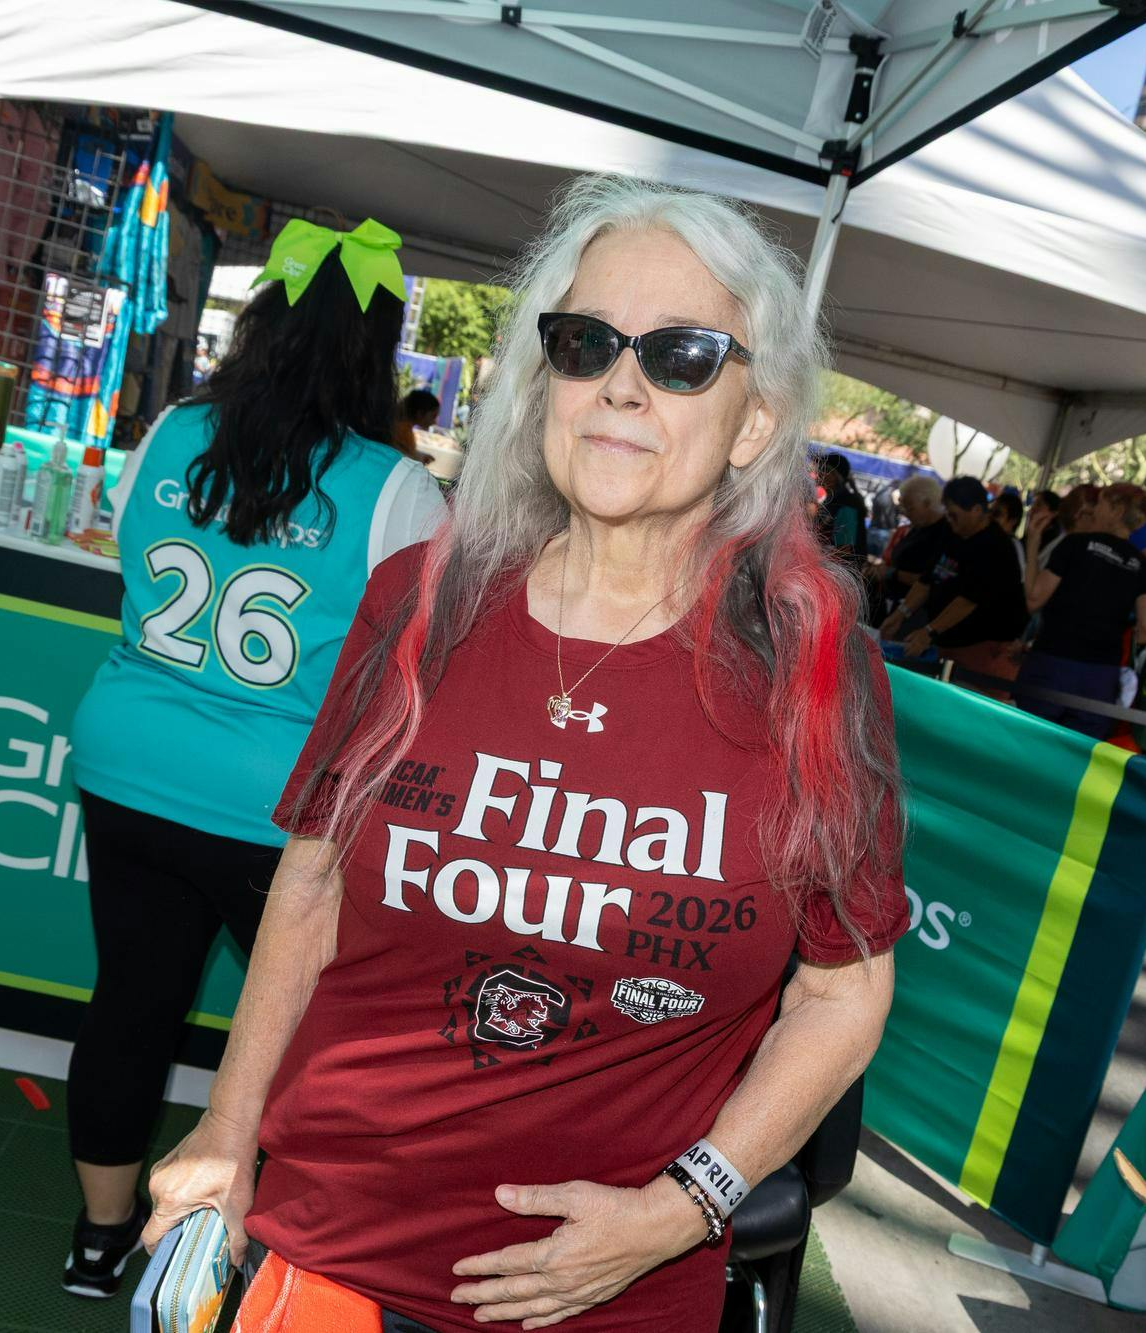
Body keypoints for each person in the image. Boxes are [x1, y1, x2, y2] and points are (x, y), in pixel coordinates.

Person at [140, 177, 907, 1333]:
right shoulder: (420, 599)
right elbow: (311, 881)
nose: (621, 386)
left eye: (684, 355)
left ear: (754, 419)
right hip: (336, 1246)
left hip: (613, 1296)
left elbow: (842, 990)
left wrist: (682, 1207)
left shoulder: (812, 665)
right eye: (585, 342)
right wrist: (226, 1128)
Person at [60, 217, 446, 1298]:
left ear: (262, 321)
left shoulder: (177, 429)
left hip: (129, 760)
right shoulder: (397, 487)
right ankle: (251, 1253)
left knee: (130, 1003)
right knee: (298, 1044)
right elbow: (420, 664)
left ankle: (98, 1243)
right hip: (279, 809)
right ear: (378, 353)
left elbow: (124, 565)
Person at [1015, 482, 1146, 738]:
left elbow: (1034, 598)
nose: (1095, 510)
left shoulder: (1076, 544)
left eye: (1101, 503)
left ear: (1116, 510)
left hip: (1053, 662)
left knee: (1029, 743)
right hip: (1100, 676)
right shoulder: (1143, 566)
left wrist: (1033, 542)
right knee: (1077, 756)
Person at [881, 476, 1025, 687]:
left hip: (983, 649)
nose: (949, 518)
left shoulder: (996, 546)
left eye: (954, 513)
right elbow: (928, 580)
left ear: (976, 510)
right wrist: (901, 613)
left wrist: (929, 631)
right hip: (947, 644)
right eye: (947, 513)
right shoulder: (952, 533)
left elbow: (968, 599)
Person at [864, 475, 944, 621]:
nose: (905, 512)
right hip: (895, 603)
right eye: (903, 507)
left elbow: (930, 581)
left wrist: (890, 573)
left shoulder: (942, 534)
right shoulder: (919, 526)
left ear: (927, 503)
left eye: (910, 507)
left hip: (915, 613)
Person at [815, 451, 869, 561]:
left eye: (824, 470)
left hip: (839, 572)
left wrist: (813, 560)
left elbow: (844, 550)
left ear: (835, 476)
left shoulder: (847, 503)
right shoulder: (833, 500)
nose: (819, 474)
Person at [392, 386, 441, 459]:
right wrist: (416, 457)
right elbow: (398, 454)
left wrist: (418, 455)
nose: (434, 422)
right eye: (433, 416)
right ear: (420, 414)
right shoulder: (397, 430)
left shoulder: (403, 427)